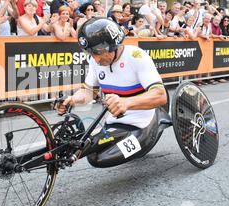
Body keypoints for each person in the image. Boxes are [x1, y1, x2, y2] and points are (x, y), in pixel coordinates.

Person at [56, 17, 167, 167]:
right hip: (114, 124)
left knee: (100, 159)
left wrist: (126, 103)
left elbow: (161, 95)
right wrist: (72, 99)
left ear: (113, 45)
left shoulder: (137, 57)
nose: (95, 59)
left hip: (142, 125)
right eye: (90, 53)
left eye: (97, 52)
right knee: (83, 150)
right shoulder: (95, 61)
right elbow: (89, 92)